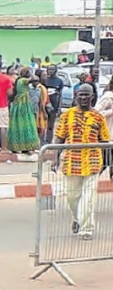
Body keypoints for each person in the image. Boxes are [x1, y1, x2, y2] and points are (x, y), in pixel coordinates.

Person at [55, 84, 110, 240]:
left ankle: (87, 229)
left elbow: (105, 140)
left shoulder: (98, 117)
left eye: (87, 95)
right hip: (72, 162)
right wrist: (55, 159)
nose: (84, 98)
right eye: (81, 95)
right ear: (75, 96)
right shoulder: (67, 116)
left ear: (93, 97)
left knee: (89, 197)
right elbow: (59, 137)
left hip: (93, 162)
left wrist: (107, 163)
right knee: (72, 197)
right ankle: (77, 219)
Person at [8, 67, 40, 153]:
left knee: (19, 124)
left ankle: (19, 146)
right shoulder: (23, 80)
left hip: (20, 104)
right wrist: (31, 73)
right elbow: (35, 78)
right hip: (23, 105)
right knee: (26, 124)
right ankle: (26, 146)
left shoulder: (19, 80)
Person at [94, 77, 113, 177]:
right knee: (105, 163)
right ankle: (91, 181)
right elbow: (96, 113)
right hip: (108, 137)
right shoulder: (109, 97)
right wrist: (110, 112)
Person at [45, 65, 64, 142]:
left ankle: (48, 141)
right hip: (44, 106)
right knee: (41, 125)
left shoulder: (59, 81)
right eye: (49, 69)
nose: (50, 71)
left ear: (56, 70)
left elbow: (60, 95)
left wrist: (59, 108)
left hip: (54, 106)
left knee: (50, 126)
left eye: (52, 69)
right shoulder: (45, 80)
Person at [31, 69, 50, 143]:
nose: (46, 77)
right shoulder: (40, 88)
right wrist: (44, 113)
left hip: (40, 111)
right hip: (40, 112)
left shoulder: (41, 87)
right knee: (40, 129)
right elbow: (41, 102)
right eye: (44, 75)